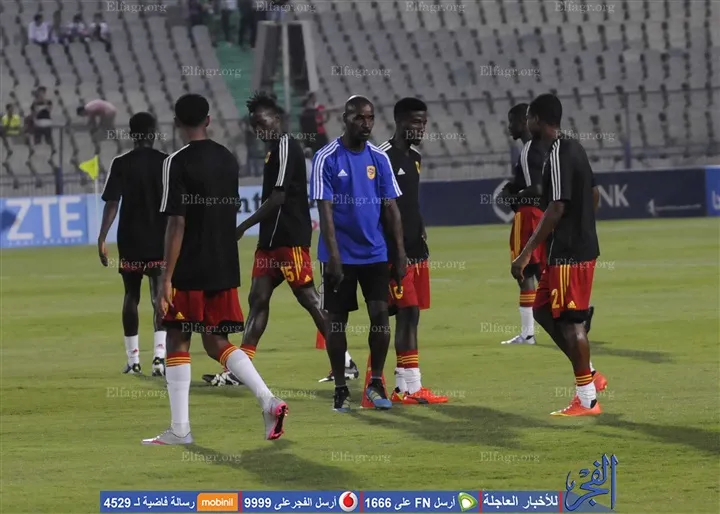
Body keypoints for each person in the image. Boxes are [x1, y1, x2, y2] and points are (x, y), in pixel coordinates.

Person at [144, 94, 286, 444]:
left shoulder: (175, 162)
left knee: (177, 337)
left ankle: (180, 429)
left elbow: (177, 224)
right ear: (208, 120)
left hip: (190, 266)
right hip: (223, 264)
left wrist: (166, 278)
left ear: (177, 123)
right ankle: (268, 400)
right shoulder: (227, 158)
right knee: (215, 340)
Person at [201, 91, 330, 387]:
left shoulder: (285, 145)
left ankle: (344, 360)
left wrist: (243, 225)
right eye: (255, 126)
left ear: (278, 118)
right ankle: (241, 369)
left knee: (309, 299)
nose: (259, 130)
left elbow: (278, 196)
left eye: (263, 122)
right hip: (270, 243)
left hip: (289, 239)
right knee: (257, 299)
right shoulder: (273, 150)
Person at [511, 94, 607, 417]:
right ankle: (590, 374)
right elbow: (594, 192)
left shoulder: (556, 153)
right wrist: (585, 225)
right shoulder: (574, 147)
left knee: (570, 322)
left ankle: (587, 398)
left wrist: (525, 254)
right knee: (541, 309)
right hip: (571, 250)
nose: (527, 124)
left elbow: (555, 208)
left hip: (569, 253)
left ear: (537, 120)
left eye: (529, 118)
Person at [310, 95, 406, 412]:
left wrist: (400, 253)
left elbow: (391, 208)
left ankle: (375, 382)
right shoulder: (327, 158)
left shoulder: (379, 158)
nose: (366, 124)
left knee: (380, 318)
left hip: (375, 253)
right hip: (339, 257)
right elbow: (325, 210)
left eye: (370, 118)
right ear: (345, 119)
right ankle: (340, 387)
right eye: (359, 118)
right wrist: (334, 256)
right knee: (337, 323)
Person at [377, 98, 448, 404]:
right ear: (400, 121)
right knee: (406, 312)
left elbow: (409, 204)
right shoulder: (381, 156)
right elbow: (380, 208)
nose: (422, 128)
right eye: (416, 122)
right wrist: (395, 252)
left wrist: (420, 230)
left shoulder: (415, 157)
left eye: (424, 123)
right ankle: (410, 387)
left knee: (411, 314)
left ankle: (403, 386)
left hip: (417, 250)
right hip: (394, 253)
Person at [98, 112, 168, 376]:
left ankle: (133, 360)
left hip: (130, 238)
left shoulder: (121, 163)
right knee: (159, 296)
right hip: (160, 237)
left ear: (132, 134)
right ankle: (159, 358)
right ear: (153, 133)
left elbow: (112, 203)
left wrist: (102, 237)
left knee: (131, 295)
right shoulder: (166, 162)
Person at [497, 103, 548, 345]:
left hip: (529, 216)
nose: (509, 127)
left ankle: (528, 333)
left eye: (512, 122)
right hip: (542, 215)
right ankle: (570, 314)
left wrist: (513, 196)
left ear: (523, 122)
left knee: (524, 271)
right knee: (540, 270)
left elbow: (536, 188)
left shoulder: (528, 150)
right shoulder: (543, 148)